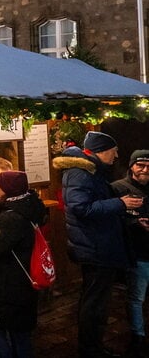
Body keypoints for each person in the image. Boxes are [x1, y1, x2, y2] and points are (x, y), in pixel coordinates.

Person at [55, 131, 139, 358]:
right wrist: (119, 203)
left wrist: (123, 209)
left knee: (94, 300)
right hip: (94, 247)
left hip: (96, 244)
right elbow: (81, 209)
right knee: (94, 304)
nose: (117, 155)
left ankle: (93, 346)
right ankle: (90, 350)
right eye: (113, 151)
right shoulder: (81, 172)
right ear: (101, 151)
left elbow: (93, 204)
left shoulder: (89, 170)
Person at [0, 170, 48, 358]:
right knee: (20, 332)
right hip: (23, 281)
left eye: (0, 185)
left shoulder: (11, 216)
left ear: (8, 190)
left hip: (6, 284)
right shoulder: (31, 206)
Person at [114, 149, 149, 356]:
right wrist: (135, 223)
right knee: (136, 298)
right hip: (138, 253)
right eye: (140, 165)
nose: (145, 170)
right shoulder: (118, 188)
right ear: (131, 166)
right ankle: (138, 337)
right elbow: (110, 219)